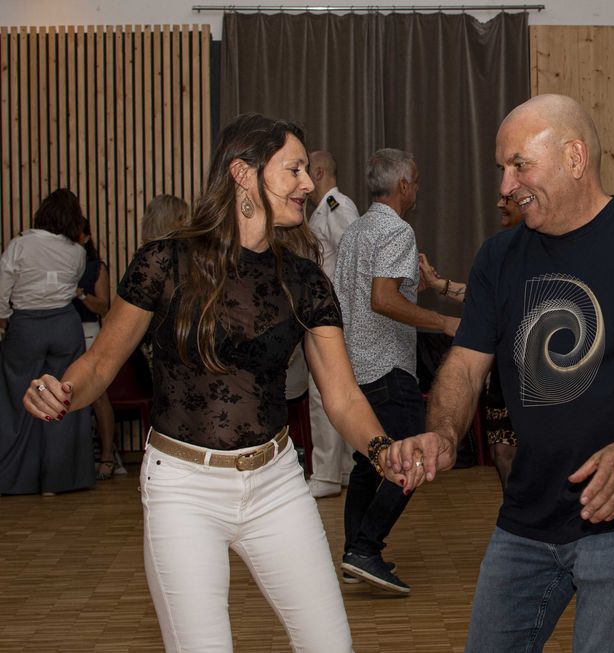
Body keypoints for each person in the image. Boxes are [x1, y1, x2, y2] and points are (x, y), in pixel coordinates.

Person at [21, 114, 431, 651]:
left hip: (277, 484)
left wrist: (380, 450)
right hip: (182, 489)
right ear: (243, 173)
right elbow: (99, 363)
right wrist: (64, 391)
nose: (307, 185)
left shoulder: (305, 280)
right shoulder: (165, 263)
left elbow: (343, 395)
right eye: (293, 170)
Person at [387, 94, 614, 652]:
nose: (505, 186)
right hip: (527, 513)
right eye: (502, 168)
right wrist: (443, 432)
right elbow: (466, 365)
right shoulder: (498, 257)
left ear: (575, 157)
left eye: (519, 165)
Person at [333, 147, 460, 595]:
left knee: (370, 464)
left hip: (354, 366)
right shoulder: (397, 230)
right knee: (414, 458)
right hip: (387, 367)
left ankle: (355, 553)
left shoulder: (356, 231)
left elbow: (367, 297)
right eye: (416, 181)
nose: (418, 189)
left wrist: (416, 287)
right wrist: (444, 322)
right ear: (403, 185)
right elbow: (382, 299)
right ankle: (365, 548)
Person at [418, 194, 524, 488]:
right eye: (499, 197)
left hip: (533, 370)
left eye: (508, 200)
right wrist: (438, 285)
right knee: (502, 450)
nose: (500, 204)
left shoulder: (542, 251)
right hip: (503, 371)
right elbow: (480, 296)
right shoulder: (500, 252)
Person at [0, 188, 93, 496]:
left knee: (18, 402)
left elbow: (1, 289)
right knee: (63, 399)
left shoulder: (20, 245)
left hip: (26, 326)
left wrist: (5, 318)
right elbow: (74, 282)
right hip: (65, 325)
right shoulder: (77, 252)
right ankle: (60, 481)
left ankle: (16, 481)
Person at [305, 149, 360, 499]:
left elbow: (354, 258)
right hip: (329, 314)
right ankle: (342, 469)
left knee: (322, 393)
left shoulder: (337, 207)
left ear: (320, 172)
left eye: (306, 170)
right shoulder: (323, 210)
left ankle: (325, 474)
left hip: (334, 316)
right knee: (331, 391)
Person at [73, 219, 120, 480]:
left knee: (98, 396)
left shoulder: (95, 267)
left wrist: (81, 295)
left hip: (89, 332)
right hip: (63, 332)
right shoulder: (60, 264)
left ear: (86, 237)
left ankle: (107, 455)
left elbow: (104, 307)